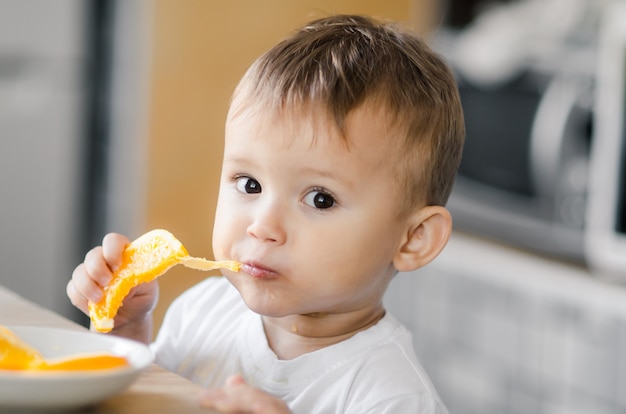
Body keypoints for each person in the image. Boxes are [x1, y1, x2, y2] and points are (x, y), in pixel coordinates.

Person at [67, 14, 465, 413]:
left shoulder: (390, 398)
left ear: (414, 239)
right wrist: (123, 333)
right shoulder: (203, 310)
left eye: (320, 199)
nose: (263, 227)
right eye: (249, 185)